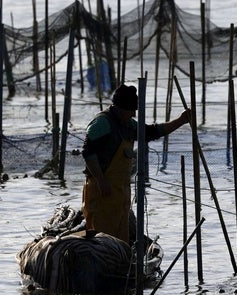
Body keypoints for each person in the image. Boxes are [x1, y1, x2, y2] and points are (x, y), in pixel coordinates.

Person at [81, 83, 190, 244]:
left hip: (120, 193)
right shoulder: (102, 123)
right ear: (120, 108)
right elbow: (88, 152)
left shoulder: (128, 125)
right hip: (102, 191)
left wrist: (181, 120)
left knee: (120, 239)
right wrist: (101, 180)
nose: (133, 114)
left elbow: (151, 132)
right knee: (101, 240)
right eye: (131, 110)